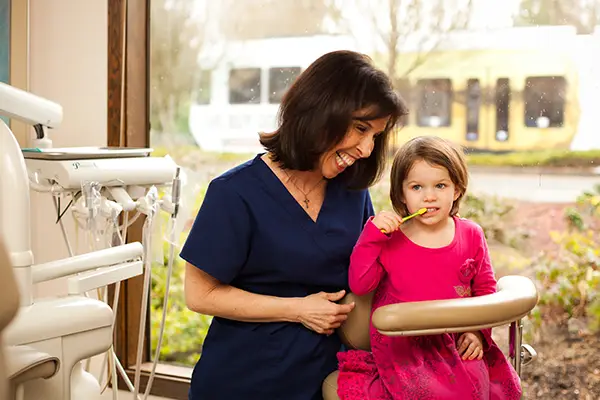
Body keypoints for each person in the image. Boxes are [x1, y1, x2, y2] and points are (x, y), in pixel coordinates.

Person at [180, 50, 409, 400]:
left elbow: (372, 280)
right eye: (361, 128)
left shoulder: (352, 194)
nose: (366, 149)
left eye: (375, 136)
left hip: (329, 379)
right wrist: (298, 309)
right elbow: (199, 294)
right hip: (245, 380)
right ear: (320, 111)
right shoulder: (235, 193)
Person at [336, 136, 522, 399]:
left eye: (440, 185)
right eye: (417, 187)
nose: (429, 197)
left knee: (474, 386)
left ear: (456, 189)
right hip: (405, 346)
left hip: (456, 343)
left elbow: (484, 289)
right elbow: (360, 284)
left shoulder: (471, 234)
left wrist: (476, 332)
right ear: (401, 193)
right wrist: (371, 238)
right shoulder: (390, 238)